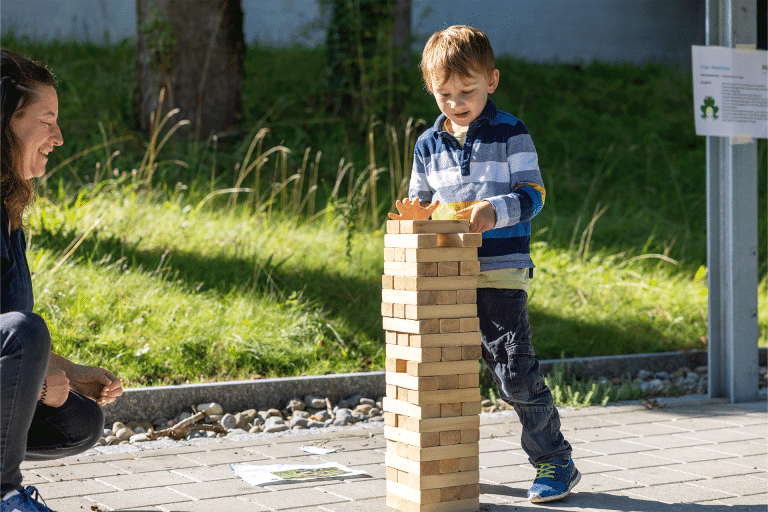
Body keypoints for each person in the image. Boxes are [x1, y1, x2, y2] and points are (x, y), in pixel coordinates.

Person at [390, 26, 580, 503]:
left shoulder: (510, 132)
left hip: (499, 268)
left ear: (491, 81)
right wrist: (414, 218)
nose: (456, 102)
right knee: (437, 369)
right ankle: (442, 462)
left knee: (511, 368)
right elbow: (421, 203)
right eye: (444, 93)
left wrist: (494, 211)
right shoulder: (427, 144)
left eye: (467, 91)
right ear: (430, 90)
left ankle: (555, 459)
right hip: (443, 277)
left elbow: (533, 195)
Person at [1, 49, 124, 512]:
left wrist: (67, 373)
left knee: (78, 422)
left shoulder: (7, 214)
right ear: (4, 123)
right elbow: (12, 334)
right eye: (46, 120)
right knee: (27, 330)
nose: (59, 137)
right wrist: (36, 378)